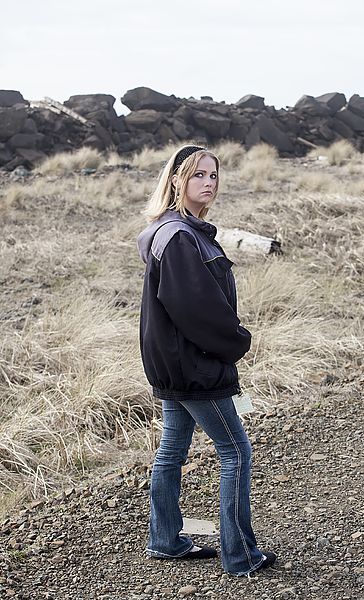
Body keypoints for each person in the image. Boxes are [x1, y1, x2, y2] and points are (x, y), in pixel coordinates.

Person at [136, 144, 277, 577]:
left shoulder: (177, 229)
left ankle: (165, 541)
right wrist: (237, 341)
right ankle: (240, 556)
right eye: (199, 175)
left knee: (172, 449)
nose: (209, 183)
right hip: (195, 366)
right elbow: (196, 309)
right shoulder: (179, 236)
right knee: (236, 451)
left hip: (174, 365)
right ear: (177, 179)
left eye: (214, 176)